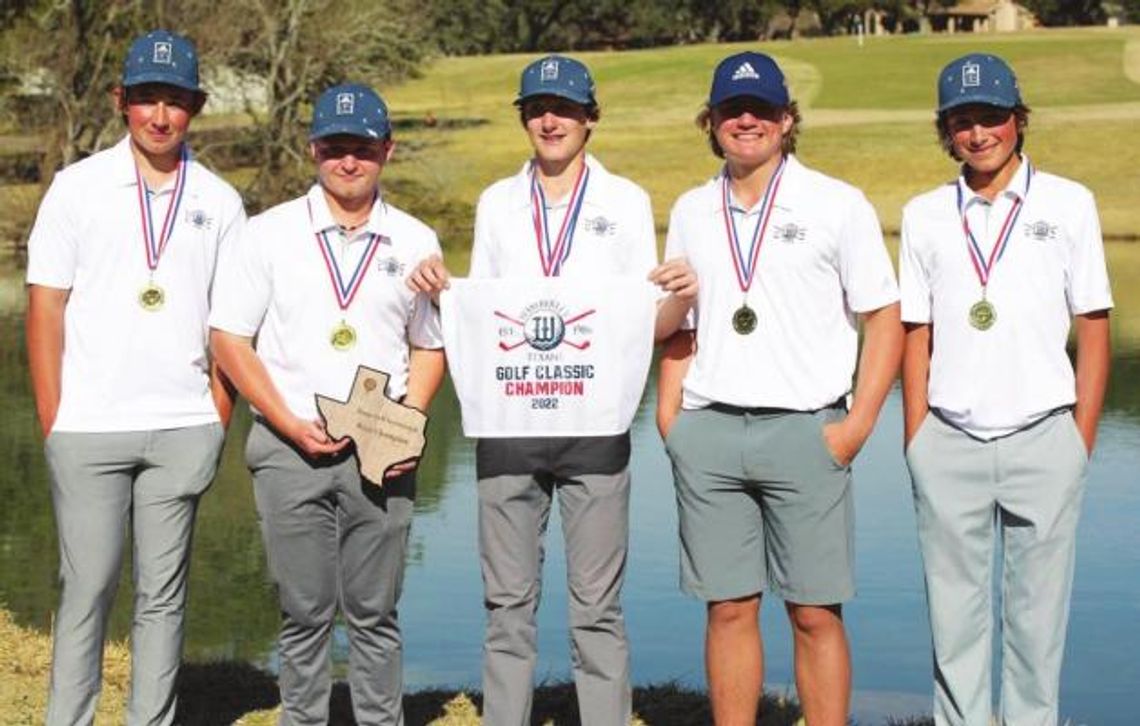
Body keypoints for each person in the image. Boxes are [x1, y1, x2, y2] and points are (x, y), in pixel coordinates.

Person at [408, 54, 694, 725]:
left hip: (595, 428)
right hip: (508, 427)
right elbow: (482, 317)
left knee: (597, 606)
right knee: (507, 603)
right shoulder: (496, 202)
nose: (550, 119)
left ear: (590, 118)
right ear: (524, 118)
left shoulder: (623, 201)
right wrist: (441, 294)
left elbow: (639, 325)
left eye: (564, 107)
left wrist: (682, 303)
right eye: (537, 107)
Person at [655, 51, 902, 725]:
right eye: (732, 111)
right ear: (711, 123)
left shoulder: (836, 203)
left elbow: (883, 318)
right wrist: (670, 416)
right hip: (709, 431)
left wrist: (857, 425)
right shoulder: (690, 208)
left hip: (807, 430)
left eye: (761, 109)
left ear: (787, 120)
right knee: (729, 607)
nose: (746, 121)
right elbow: (679, 320)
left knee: (815, 611)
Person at [24, 29, 245, 725]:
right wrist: (55, 420)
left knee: (162, 596)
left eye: (174, 101)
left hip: (183, 427)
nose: (159, 115)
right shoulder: (77, 188)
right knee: (85, 587)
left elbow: (232, 328)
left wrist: (215, 417)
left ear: (195, 107)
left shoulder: (220, 200)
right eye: (146, 98)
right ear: (122, 101)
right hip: (88, 427)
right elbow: (44, 309)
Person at [209, 82, 446, 725]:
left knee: (374, 613)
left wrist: (404, 426)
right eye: (336, 148)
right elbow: (229, 340)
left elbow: (429, 347)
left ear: (386, 151)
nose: (349, 161)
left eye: (362, 149)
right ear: (313, 148)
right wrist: (287, 422)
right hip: (289, 449)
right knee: (304, 612)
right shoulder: (268, 234)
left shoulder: (417, 240)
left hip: (381, 452)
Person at [899, 53, 1112, 725]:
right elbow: (915, 333)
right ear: (946, 132)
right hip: (950, 439)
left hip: (1045, 435)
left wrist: (1079, 441)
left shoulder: (1069, 203)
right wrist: (916, 440)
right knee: (954, 620)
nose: (978, 134)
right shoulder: (925, 214)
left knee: (1037, 622)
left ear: (1018, 121)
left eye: (990, 117)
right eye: (962, 122)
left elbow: (1095, 328)